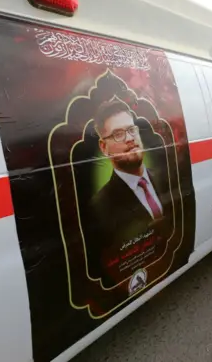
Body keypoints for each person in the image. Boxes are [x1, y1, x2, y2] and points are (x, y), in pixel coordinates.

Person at [85, 99, 168, 287]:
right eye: (118, 134)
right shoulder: (99, 206)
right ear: (103, 147)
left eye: (132, 130)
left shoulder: (164, 176)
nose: (130, 138)